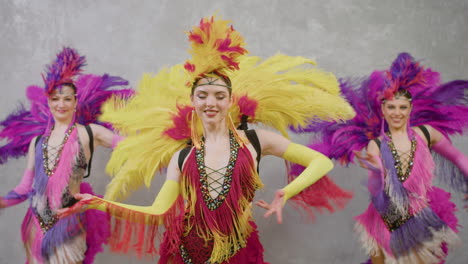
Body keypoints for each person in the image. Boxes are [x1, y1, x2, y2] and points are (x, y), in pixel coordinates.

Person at [58, 15, 355, 263]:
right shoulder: (183, 156)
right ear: (193, 102)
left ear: (229, 101)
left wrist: (286, 192)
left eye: (219, 96)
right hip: (185, 253)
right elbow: (158, 212)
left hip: (238, 251)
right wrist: (97, 203)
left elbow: (320, 162)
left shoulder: (255, 140)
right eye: (203, 96)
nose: (210, 102)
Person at [296, 52, 468, 264]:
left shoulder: (426, 133)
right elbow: (376, 189)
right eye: (391, 108)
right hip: (386, 216)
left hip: (419, 211)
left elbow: (458, 158)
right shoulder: (376, 144)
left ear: (410, 109)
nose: (397, 113)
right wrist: (377, 171)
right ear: (384, 111)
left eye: (402, 107)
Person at [0, 47, 132, 264]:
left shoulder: (90, 133)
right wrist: (3, 201)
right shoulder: (37, 142)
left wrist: (156, 143)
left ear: (75, 102)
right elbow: (25, 187)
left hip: (68, 225)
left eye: (67, 99)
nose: (61, 104)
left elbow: (129, 147)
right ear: (48, 102)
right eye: (55, 99)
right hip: (36, 224)